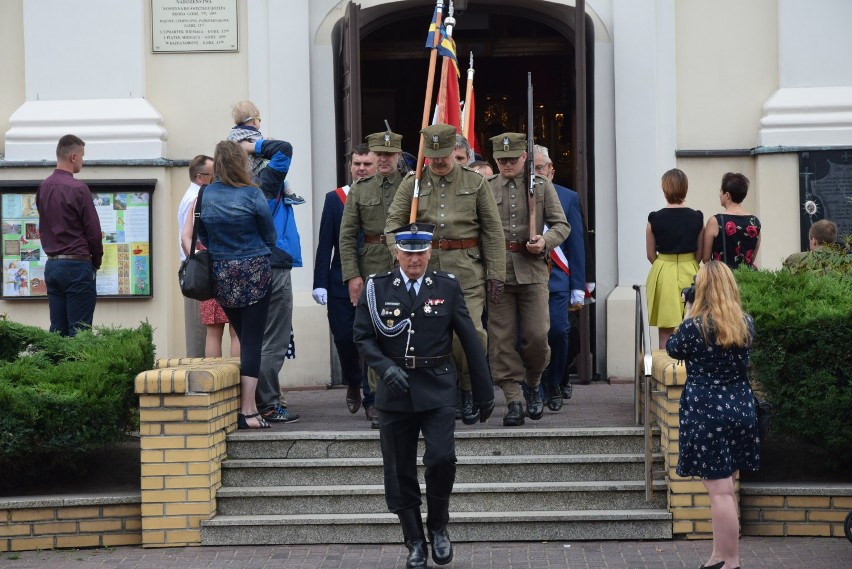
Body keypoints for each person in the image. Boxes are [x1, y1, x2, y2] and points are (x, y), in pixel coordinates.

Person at [352, 222, 495, 569]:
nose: (414, 259)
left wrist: (483, 389)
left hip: (437, 384)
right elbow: (362, 336)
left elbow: (469, 338)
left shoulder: (446, 287)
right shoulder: (377, 288)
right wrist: (384, 369)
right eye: (407, 252)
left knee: (442, 458)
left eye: (420, 253)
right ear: (396, 253)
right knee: (399, 469)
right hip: (394, 389)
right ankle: (414, 540)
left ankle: (439, 526)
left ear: (429, 253)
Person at [385, 123, 505, 425]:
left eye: (443, 155)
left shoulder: (476, 182)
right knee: (435, 336)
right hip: (426, 270)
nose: (438, 162)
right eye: (433, 156)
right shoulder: (413, 182)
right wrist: (401, 256)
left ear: (455, 150)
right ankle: (446, 395)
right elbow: (393, 224)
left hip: (467, 268)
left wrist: (496, 274)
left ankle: (468, 389)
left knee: (473, 335)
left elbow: (492, 229)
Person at [666, 260, 759, 569]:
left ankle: (730, 561)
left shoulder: (695, 326)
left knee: (718, 491)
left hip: (707, 411)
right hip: (741, 408)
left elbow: (673, 348)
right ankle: (718, 556)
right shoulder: (745, 322)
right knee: (726, 487)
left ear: (702, 288)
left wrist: (689, 307)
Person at [486, 133, 570, 426]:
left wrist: (544, 241)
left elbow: (562, 225)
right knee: (501, 341)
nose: (507, 164)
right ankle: (513, 398)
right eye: (501, 160)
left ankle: (533, 382)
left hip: (532, 270)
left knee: (537, 336)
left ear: (524, 158)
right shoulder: (486, 188)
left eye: (513, 159)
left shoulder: (541, 187)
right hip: (498, 272)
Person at [197, 140, 277, 430]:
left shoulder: (205, 194)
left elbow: (203, 235)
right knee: (252, 340)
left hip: (222, 274)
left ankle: (249, 406)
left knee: (242, 335)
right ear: (240, 163)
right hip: (255, 269)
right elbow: (270, 234)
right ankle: (247, 411)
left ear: (217, 164)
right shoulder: (252, 194)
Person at [339, 130, 405, 428]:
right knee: (376, 332)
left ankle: (407, 394)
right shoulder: (360, 189)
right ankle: (377, 399)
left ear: (399, 156)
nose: (383, 160)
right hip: (372, 264)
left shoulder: (412, 184)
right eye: (379, 155)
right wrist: (353, 274)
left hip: (407, 262)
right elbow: (347, 235)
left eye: (389, 155)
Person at [313, 143, 378, 419]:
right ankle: (353, 380)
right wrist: (319, 282)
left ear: (376, 166)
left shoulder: (384, 197)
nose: (361, 169)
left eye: (367, 164)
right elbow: (325, 243)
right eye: (357, 164)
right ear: (350, 166)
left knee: (373, 338)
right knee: (343, 337)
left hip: (375, 279)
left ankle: (371, 397)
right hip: (339, 280)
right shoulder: (335, 198)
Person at [533, 145, 586, 411]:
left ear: (551, 170)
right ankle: (538, 386)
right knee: (531, 336)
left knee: (558, 332)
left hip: (558, 279)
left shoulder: (568, 198)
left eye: (540, 168)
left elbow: (576, 244)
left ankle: (556, 380)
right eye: (532, 168)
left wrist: (579, 285)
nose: (536, 173)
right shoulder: (521, 196)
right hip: (529, 280)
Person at [36, 134, 103, 337]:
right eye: (82, 156)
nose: (83, 160)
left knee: (57, 331)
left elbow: (44, 225)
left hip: (52, 266)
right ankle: (79, 369)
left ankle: (56, 368)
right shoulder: (79, 189)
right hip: (77, 264)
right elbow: (93, 233)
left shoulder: (43, 187)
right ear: (73, 157)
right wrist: (96, 262)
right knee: (80, 332)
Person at [645, 168, 704, 349]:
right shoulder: (697, 217)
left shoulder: (655, 218)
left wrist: (664, 264)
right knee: (694, 325)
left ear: (665, 189)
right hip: (691, 270)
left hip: (663, 271)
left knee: (665, 329)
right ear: (685, 188)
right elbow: (700, 253)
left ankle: (665, 373)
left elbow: (649, 254)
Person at [181, 197, 241, 359]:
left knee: (213, 333)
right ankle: (237, 381)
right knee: (237, 332)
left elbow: (185, 237)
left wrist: (199, 257)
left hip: (208, 272)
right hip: (235, 269)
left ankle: (213, 381)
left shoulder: (199, 200)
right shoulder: (238, 197)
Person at [227, 100, 306, 205]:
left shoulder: (233, 134)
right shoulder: (252, 133)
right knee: (278, 168)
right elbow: (261, 149)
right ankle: (289, 194)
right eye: (259, 119)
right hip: (254, 170)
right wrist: (268, 143)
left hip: (240, 174)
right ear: (255, 121)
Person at [177, 155, 213, 357]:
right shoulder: (195, 199)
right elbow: (188, 239)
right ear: (200, 177)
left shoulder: (193, 196)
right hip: (198, 270)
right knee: (199, 338)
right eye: (213, 175)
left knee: (204, 333)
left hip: (196, 267)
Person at [701, 172, 761, 270]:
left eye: (721, 192)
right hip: (748, 280)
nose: (719, 195)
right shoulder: (755, 222)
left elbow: (706, 259)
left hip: (723, 280)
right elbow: (751, 258)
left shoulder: (715, 221)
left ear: (727, 195)